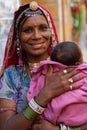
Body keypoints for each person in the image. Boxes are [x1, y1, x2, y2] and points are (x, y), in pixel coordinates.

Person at [0, 1, 85, 130]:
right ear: (18, 38)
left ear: (50, 32)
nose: (36, 36)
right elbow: (6, 127)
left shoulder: (72, 68)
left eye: (43, 28)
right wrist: (43, 96)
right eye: (27, 30)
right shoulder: (11, 76)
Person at [27, 41, 87, 128]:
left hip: (51, 120)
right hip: (82, 119)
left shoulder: (44, 72)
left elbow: (34, 92)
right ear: (78, 63)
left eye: (43, 28)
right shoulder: (83, 72)